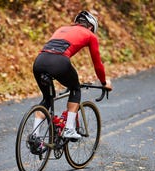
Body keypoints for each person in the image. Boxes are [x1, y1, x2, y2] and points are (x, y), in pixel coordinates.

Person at [32, 11, 112, 139]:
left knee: (47, 99)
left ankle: (35, 137)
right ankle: (69, 129)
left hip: (39, 61)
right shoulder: (90, 35)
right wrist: (104, 82)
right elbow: (97, 64)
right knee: (75, 89)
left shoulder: (62, 29)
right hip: (59, 62)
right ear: (91, 27)